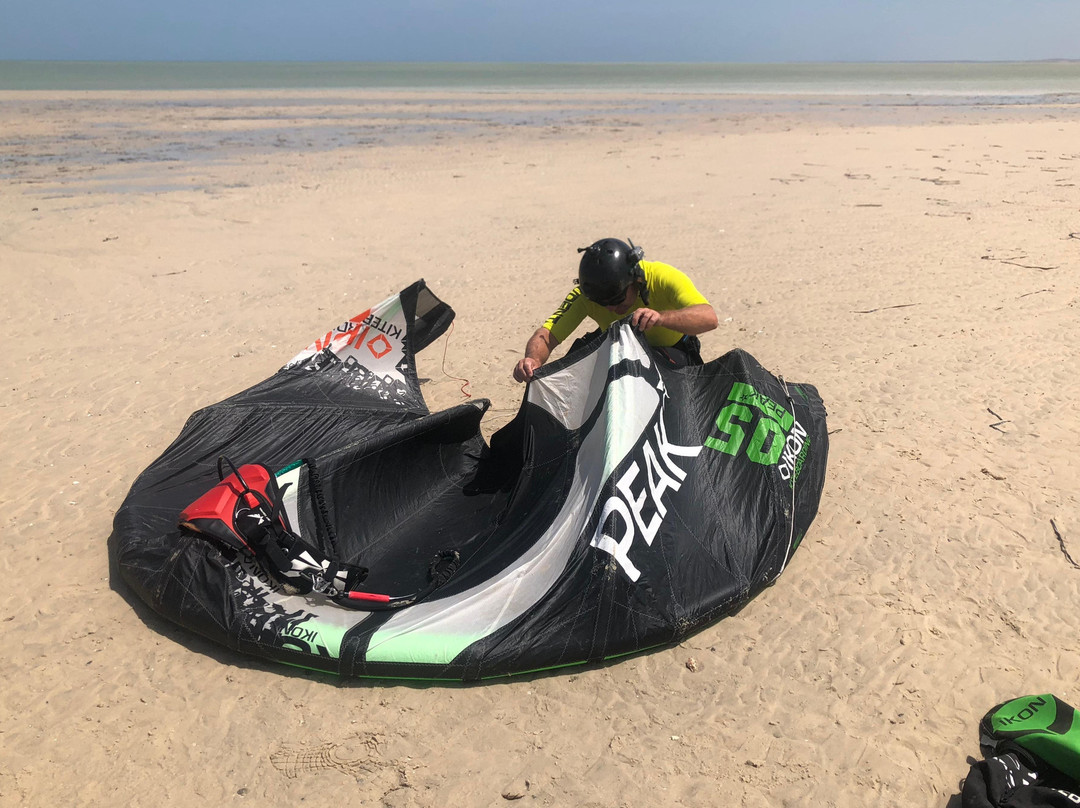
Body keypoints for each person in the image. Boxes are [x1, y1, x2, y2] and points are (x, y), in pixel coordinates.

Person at [512, 238, 718, 382]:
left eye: (618, 299)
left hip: (672, 353)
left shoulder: (662, 277)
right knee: (574, 363)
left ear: (636, 280)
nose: (613, 309)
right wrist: (532, 359)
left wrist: (662, 318)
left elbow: (709, 318)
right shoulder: (585, 295)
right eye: (603, 304)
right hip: (618, 350)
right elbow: (547, 334)